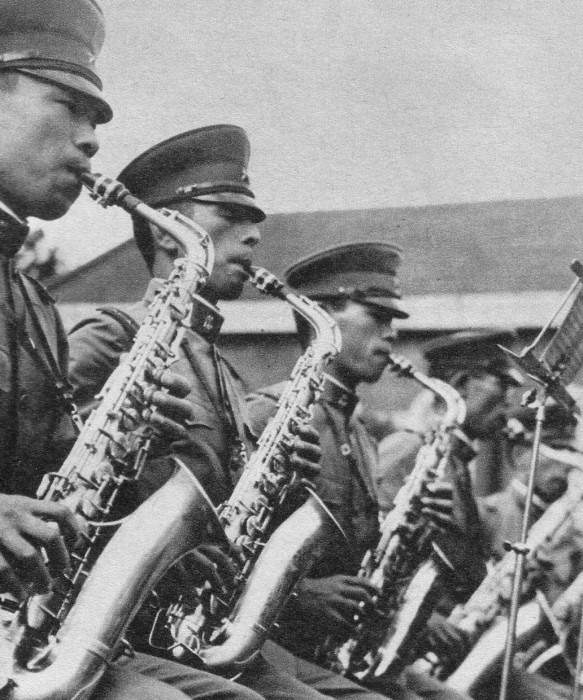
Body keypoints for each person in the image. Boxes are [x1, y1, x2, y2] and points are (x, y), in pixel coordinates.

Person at [67, 126, 393, 700]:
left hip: (187, 617)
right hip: (113, 611)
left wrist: (283, 478)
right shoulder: (112, 335)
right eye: (228, 213)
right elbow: (53, 464)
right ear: (166, 230)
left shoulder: (221, 369)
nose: (254, 235)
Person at [0, 2, 263, 699]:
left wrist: (123, 439)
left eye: (97, 122)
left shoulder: (30, 301)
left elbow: (45, 476)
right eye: (68, 106)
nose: (90, 143)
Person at [246, 242, 475, 700]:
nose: (391, 335)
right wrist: (300, 593)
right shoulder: (268, 415)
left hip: (332, 647)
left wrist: (413, 525)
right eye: (378, 317)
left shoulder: (359, 430)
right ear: (323, 317)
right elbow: (226, 543)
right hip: (270, 641)